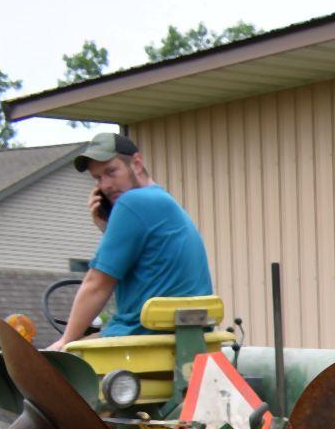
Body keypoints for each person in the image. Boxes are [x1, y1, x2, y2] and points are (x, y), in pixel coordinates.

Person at [48, 131, 214, 349]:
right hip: (185, 339)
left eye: (111, 172)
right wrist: (106, 227)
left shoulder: (132, 202)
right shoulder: (162, 201)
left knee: (61, 362)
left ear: (136, 163)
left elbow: (96, 285)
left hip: (141, 339)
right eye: (98, 178)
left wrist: (65, 341)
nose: (105, 185)